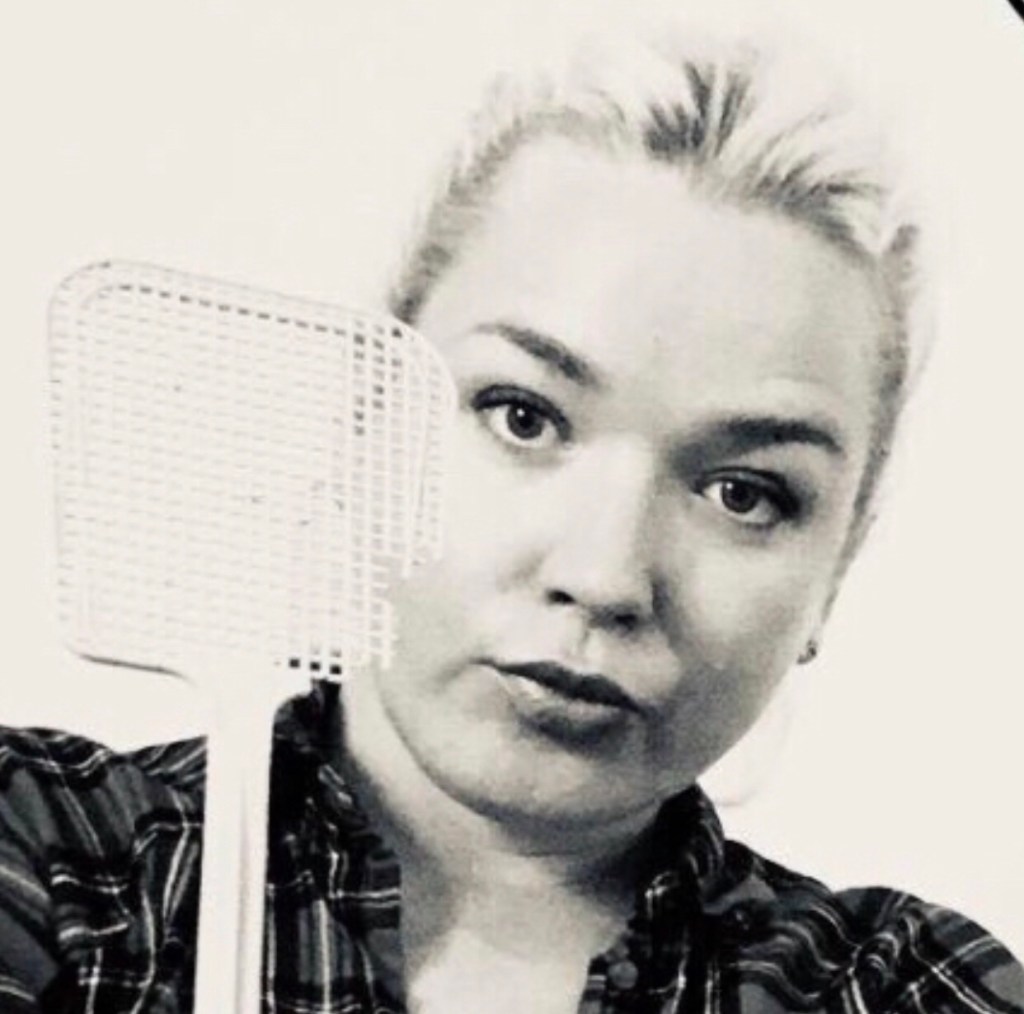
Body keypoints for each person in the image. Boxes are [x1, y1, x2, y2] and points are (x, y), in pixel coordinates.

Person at [1, 21, 1021, 1014]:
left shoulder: (899, 987)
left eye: (743, 493)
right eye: (522, 417)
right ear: (368, 426)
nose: (604, 576)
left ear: (834, 575)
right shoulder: (43, 851)